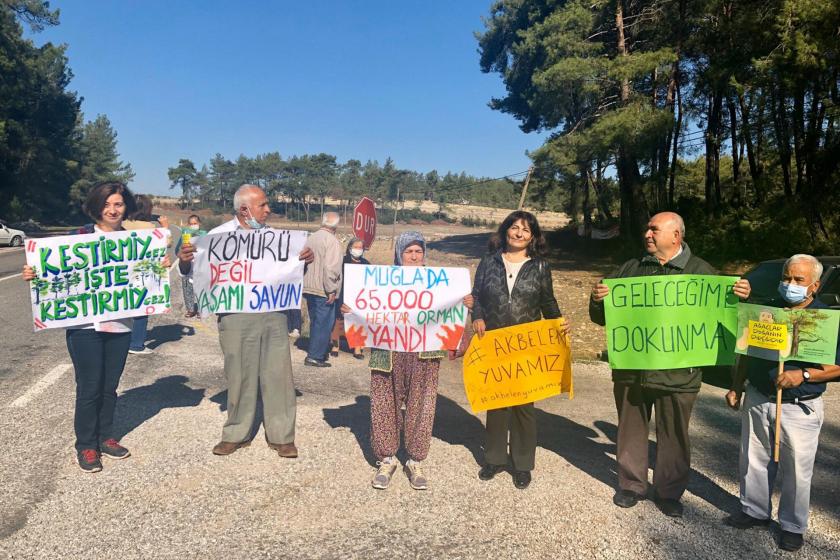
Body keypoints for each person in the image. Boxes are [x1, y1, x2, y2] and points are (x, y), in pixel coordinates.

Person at [589, 211, 751, 517]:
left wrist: (740, 298)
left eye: (654, 229)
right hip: (632, 371)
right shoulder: (630, 269)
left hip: (680, 375)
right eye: (647, 229)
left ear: (676, 235)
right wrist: (598, 299)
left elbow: (728, 322)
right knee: (631, 429)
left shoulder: (703, 273)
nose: (646, 234)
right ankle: (631, 485)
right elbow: (601, 318)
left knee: (674, 435)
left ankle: (669, 493)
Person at [22, 182, 169, 473]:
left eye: (118, 204)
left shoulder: (134, 242)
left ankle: (105, 437)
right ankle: (86, 444)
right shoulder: (77, 238)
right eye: (107, 204)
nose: (112, 210)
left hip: (120, 325)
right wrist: (34, 274)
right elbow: (52, 271)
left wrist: (158, 265)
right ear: (95, 206)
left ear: (125, 207)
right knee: (90, 387)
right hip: (84, 326)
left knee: (109, 387)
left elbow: (144, 279)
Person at [177, 184, 313, 458]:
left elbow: (290, 270)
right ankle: (236, 432)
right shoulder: (216, 238)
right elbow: (193, 274)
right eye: (262, 205)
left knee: (278, 374)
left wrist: (305, 259)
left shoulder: (279, 238)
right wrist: (183, 261)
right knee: (239, 374)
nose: (268, 210)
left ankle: (282, 435)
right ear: (244, 209)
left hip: (273, 315)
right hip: (235, 317)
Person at [725, 254, 840, 552]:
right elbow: (746, 352)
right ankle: (753, 510)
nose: (790, 285)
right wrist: (736, 387)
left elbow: (837, 367)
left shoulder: (826, 319)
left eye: (798, 280)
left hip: (799, 406)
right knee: (752, 459)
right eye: (787, 278)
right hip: (760, 397)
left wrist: (802, 374)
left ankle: (792, 525)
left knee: (797, 470)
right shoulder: (766, 312)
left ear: (814, 286)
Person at [342, 231, 468, 490]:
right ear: (399, 254)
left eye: (418, 251)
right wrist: (351, 308)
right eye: (408, 251)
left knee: (422, 405)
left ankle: (415, 458)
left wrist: (464, 301)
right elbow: (366, 304)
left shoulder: (440, 284)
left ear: (424, 255)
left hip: (425, 351)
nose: (413, 256)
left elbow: (449, 310)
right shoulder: (382, 281)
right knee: (384, 402)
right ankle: (386, 458)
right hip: (387, 350)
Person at [470, 210, 564, 490]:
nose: (519, 233)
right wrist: (477, 316)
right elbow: (476, 296)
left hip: (526, 345)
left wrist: (559, 326)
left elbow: (548, 302)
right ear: (506, 230)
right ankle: (495, 458)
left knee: (524, 406)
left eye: (526, 229)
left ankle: (522, 464)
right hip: (495, 342)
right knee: (496, 402)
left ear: (533, 237)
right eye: (515, 227)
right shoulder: (488, 262)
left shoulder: (540, 267)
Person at [123, 194, 170, 354]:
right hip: (141, 273)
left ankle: (123, 338)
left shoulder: (122, 224)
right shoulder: (149, 227)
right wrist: (164, 227)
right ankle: (136, 344)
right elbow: (165, 243)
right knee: (141, 307)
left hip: (123, 272)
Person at [302, 212, 343, 367]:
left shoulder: (311, 237)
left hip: (309, 286)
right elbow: (331, 268)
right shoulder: (331, 240)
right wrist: (331, 289)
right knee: (324, 323)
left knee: (315, 322)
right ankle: (315, 356)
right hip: (323, 289)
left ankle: (314, 350)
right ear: (336, 225)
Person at [330, 237, 370, 360]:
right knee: (338, 320)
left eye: (360, 248)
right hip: (343, 294)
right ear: (350, 248)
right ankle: (335, 346)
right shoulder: (342, 261)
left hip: (360, 297)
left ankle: (357, 349)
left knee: (359, 321)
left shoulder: (366, 263)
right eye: (356, 247)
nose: (358, 250)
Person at [173, 214, 206, 318]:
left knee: (201, 288)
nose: (193, 226)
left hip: (201, 263)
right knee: (187, 286)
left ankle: (202, 309)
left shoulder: (204, 235)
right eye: (191, 224)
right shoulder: (185, 235)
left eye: (195, 223)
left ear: (199, 224)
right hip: (188, 263)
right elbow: (177, 249)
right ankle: (190, 309)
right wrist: (181, 256)